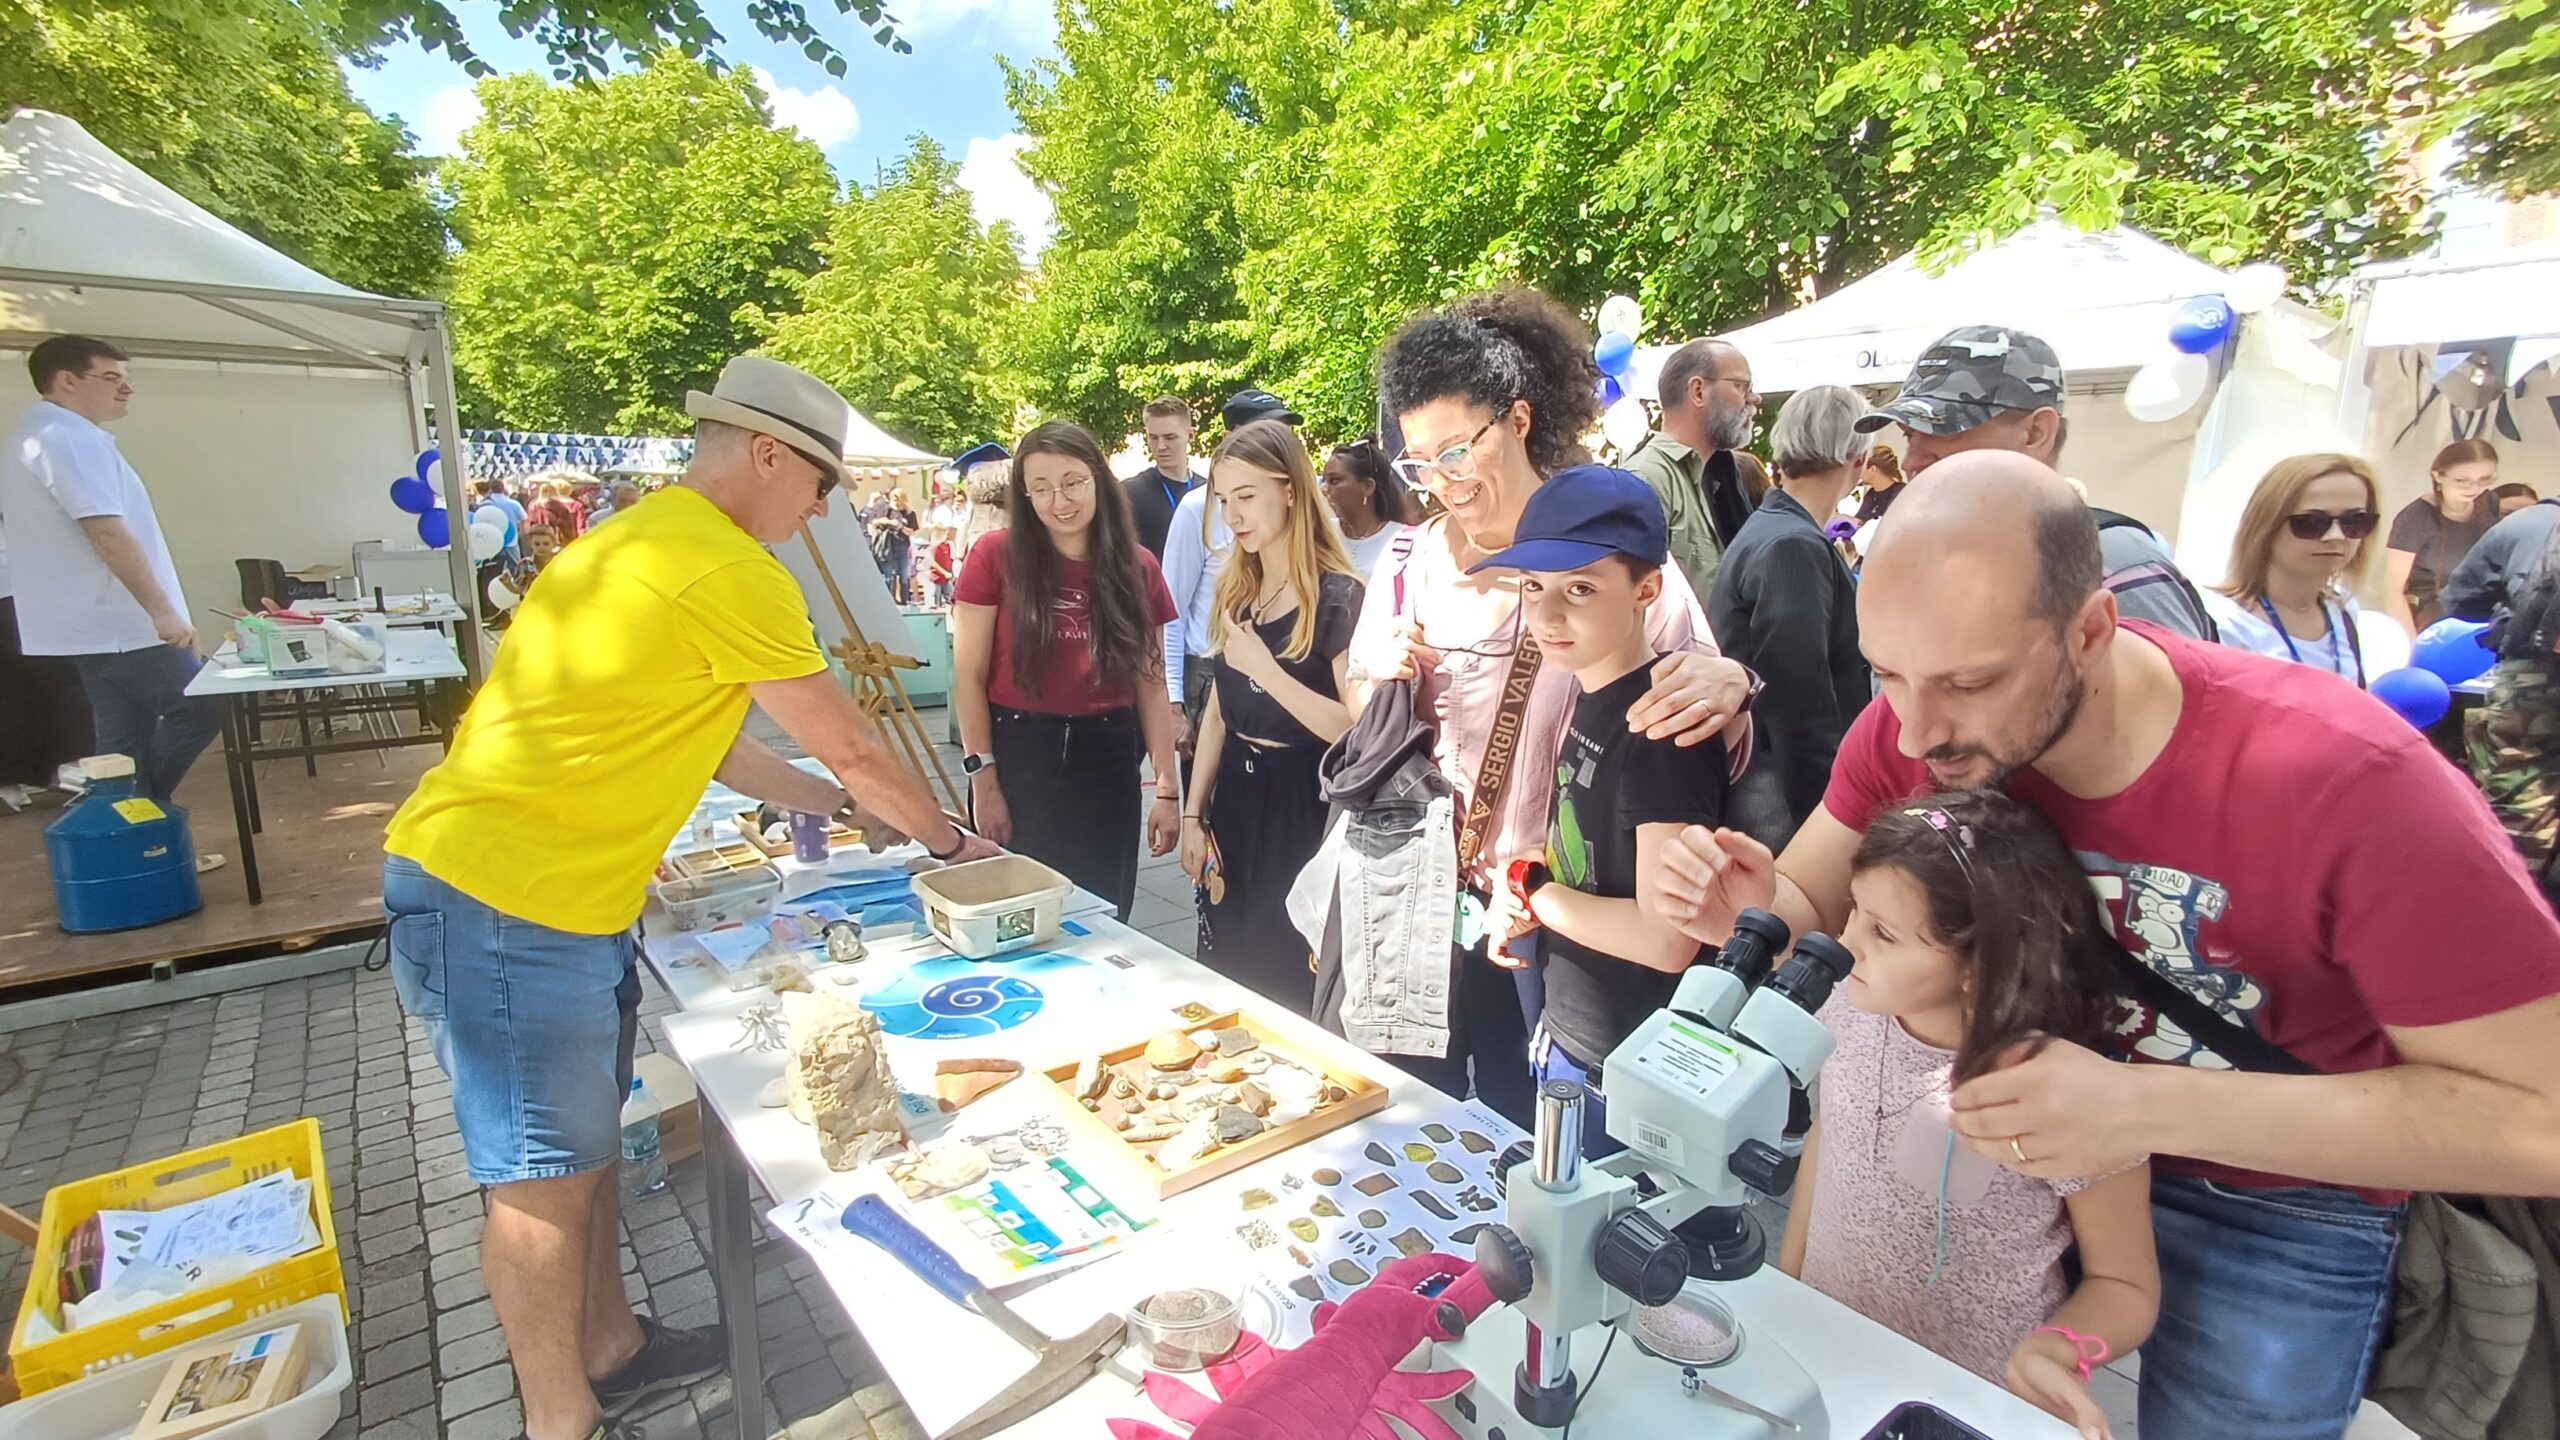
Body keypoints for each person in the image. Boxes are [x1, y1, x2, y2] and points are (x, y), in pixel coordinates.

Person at [1648, 450, 2560, 1440]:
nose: (1914, 734)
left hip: (2273, 1198)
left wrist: (2137, 1106)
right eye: (1888, 675)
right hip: (2001, 1182)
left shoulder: (2346, 780)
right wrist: (1739, 904)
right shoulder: (1914, 723)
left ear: (2090, 630)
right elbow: (1807, 900)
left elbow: (2541, 1121)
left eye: (1969, 681)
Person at [384, 355, 996, 1440]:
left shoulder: (634, 539)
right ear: (766, 455)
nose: (822, 509)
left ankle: (610, 1349)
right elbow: (855, 744)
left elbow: (721, 748)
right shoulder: (726, 565)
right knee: (539, 1184)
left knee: (579, 1153)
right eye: (820, 483)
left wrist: (843, 806)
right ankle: (559, 1422)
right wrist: (948, 841)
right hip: (508, 899)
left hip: (540, 896)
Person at [1341, 285, 1757, 1126]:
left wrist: (1738, 687)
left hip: (1557, 928)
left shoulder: (1610, 546)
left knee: (1526, 1130)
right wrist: (1373, 676)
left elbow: (1699, 710)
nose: (1442, 484)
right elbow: (1361, 714)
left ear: (1519, 420)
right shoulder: (1410, 564)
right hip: (1423, 899)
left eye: (1457, 452)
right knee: (1410, 1122)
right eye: (1419, 465)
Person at [1779, 791, 2156, 1437]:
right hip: (1826, 1368)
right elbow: (1827, 1136)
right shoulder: (1845, 1003)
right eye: (1854, 911)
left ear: (1978, 965)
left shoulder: (2064, 1092)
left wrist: (2058, 1352)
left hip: (1967, 1404)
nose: (1846, 943)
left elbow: (2126, 1285)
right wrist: (1787, 1289)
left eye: (1883, 933)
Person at [1468, 464, 1729, 1156]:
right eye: (1533, 587)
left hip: (1630, 1068)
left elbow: (1667, 937)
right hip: (1576, 1035)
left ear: (1648, 589)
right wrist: (1531, 880)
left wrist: (1536, 893)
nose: (1548, 615)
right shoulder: (1591, 688)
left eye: (1580, 588)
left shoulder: (1662, 725)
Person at [952, 422, 1183, 920]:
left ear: (1098, 478)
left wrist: (1166, 789)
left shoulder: (1138, 567)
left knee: (1104, 913)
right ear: (1025, 495)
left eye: (1073, 482)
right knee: (1023, 912)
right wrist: (984, 781)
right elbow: (968, 677)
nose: (1059, 501)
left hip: (1109, 756)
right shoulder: (994, 556)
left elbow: (1151, 682)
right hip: (1021, 754)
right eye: (1041, 488)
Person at [1855, 324, 2214, 640]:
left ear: (2036, 433)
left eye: (1943, 430)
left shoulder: (2111, 563)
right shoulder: (1924, 558)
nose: (1911, 461)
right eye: (1908, 435)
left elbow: (2184, 695)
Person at [0, 336, 223, 837]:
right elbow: (105, 532)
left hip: (93, 622)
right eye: (112, 377)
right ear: (67, 380)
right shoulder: (64, 438)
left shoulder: (44, 433)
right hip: (117, 621)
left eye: (127, 378)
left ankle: (124, 839)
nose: (126, 388)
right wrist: (162, 611)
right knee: (202, 706)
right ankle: (136, 823)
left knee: (122, 740)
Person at [1178, 420, 1363, 1012]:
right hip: (1235, 799)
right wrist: (1192, 814)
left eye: (1246, 495)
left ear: (1289, 490)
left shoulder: (1339, 597)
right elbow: (1218, 712)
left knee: (1288, 981)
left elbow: (1354, 731)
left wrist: (1266, 670)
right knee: (1226, 970)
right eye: (1223, 499)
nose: (1232, 515)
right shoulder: (1237, 589)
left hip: (1302, 807)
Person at [1709, 385, 1874, 846]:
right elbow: (1799, 700)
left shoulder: (1777, 529)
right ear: (1858, 458)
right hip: (1779, 791)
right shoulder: (1791, 544)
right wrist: (1829, 821)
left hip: (1770, 779)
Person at [2447, 488, 2560, 888]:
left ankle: (2508, 906)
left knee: (2519, 811)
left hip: (2532, 682)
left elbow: (2460, 599)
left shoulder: (2527, 521)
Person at [2201, 454, 2380, 686]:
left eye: (2355, 521)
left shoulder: (2343, 609)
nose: (2336, 536)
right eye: (2312, 522)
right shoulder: (2221, 620)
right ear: (2266, 526)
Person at [1620, 338, 1759, 597]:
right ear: (1698, 391)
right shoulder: (1646, 479)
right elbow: (1629, 597)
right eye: (1741, 386)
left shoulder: (1721, 481)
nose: (1754, 398)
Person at [2386, 438, 2501, 634]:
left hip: (2479, 612)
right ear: (2438, 476)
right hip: (2431, 619)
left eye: (2484, 479)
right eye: (2461, 480)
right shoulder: (2416, 518)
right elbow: (2393, 592)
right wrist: (2412, 644)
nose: (2473, 489)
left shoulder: (2488, 501)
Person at [1319, 435, 1418, 576]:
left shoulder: (1404, 539)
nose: (1323, 488)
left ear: (1367, 487)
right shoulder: (1322, 534)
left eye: (1334, 481)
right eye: (1324, 480)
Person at [1123, 397, 1203, 559]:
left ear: (1190, 435)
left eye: (1170, 437)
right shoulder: (1129, 493)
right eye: (1153, 438)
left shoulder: (1208, 491)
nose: (1161, 446)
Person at [863, 486, 919, 605]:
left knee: (903, 574)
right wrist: (888, 522)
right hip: (887, 545)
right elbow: (874, 522)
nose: (895, 501)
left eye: (898, 498)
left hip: (902, 546)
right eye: (893, 498)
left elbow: (911, 531)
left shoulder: (909, 513)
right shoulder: (886, 510)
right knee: (888, 574)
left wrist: (900, 526)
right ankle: (887, 600)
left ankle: (904, 600)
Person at [1855, 444, 1907, 523]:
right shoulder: (1871, 494)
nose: (1858, 472)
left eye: (1861, 467)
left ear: (1873, 469)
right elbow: (1858, 521)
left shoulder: (1901, 492)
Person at [924, 527, 958, 609]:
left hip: (945, 579)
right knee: (935, 602)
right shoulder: (933, 547)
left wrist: (951, 573)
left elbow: (950, 561)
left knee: (953, 599)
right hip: (935, 578)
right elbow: (931, 562)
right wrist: (944, 572)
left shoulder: (948, 545)